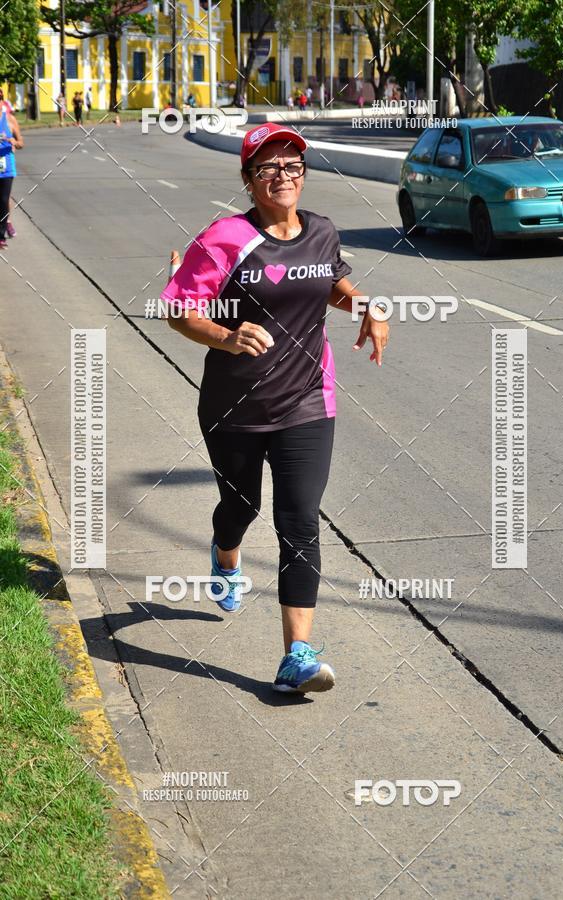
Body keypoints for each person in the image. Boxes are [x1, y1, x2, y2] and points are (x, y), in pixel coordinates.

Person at [160, 122, 388, 693]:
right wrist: (227, 336)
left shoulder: (322, 232)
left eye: (292, 165)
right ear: (248, 179)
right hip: (233, 406)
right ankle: (226, 555)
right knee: (240, 508)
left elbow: (329, 282)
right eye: (268, 167)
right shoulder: (224, 239)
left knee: (299, 521)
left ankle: (297, 656)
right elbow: (178, 310)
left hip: (309, 401)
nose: (283, 176)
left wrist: (367, 303)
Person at [0, 105, 23, 250]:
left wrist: (14, 142)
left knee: (3, 200)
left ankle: (1, 236)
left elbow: (21, 143)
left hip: (6, 167)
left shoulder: (9, 120)